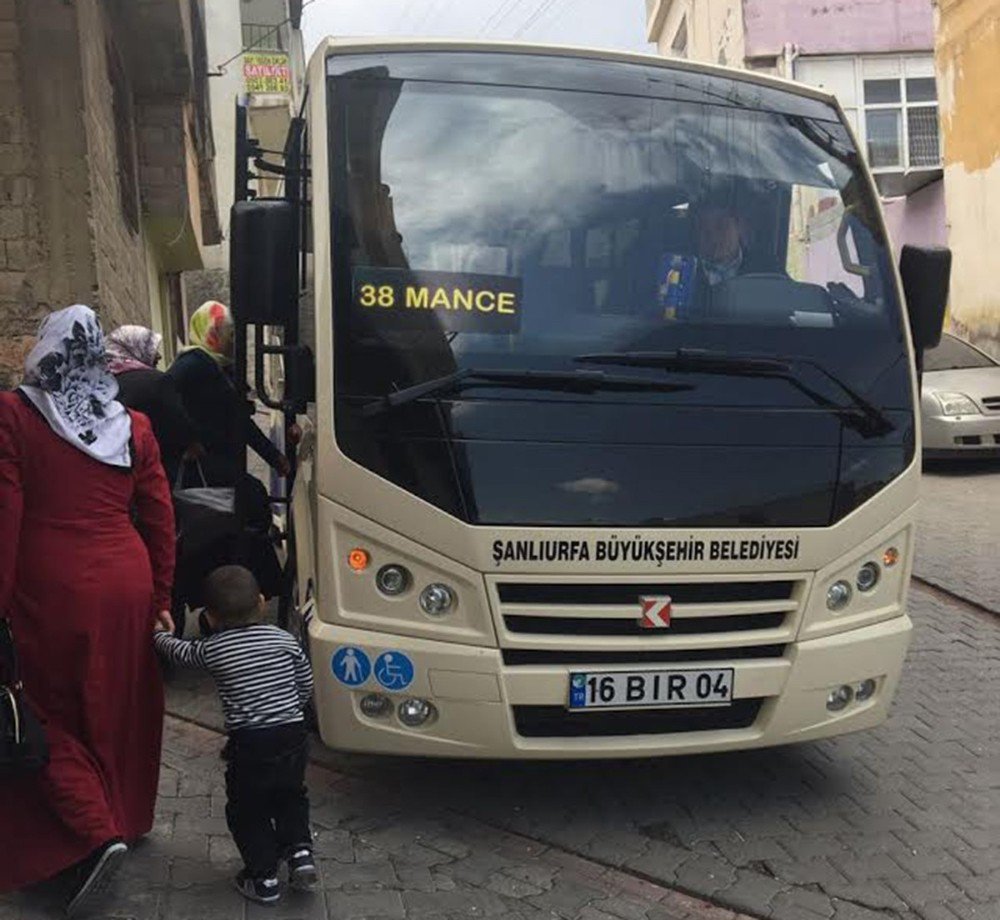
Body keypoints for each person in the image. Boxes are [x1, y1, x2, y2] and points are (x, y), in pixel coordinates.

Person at [0, 305, 175, 914]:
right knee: (117, 699)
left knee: (43, 706)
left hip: (45, 586)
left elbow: (5, 519)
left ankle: (89, 833)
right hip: (124, 582)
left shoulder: (14, 417)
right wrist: (161, 597)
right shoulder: (133, 426)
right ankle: (121, 817)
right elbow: (159, 517)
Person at [152, 566, 316, 904]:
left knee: (248, 809)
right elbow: (306, 684)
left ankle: (264, 878)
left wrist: (158, 634)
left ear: (209, 617)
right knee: (291, 794)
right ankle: (300, 853)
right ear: (260, 602)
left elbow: (180, 653)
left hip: (251, 745)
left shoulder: (215, 649)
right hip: (293, 736)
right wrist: (291, 712)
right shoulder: (285, 640)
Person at [166, 301, 289, 612]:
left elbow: (240, 422)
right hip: (205, 473)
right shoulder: (193, 363)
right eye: (225, 332)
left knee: (238, 529)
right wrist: (187, 439)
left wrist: (275, 457)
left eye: (232, 333)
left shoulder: (223, 368)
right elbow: (164, 399)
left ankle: (238, 602)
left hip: (224, 466)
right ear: (208, 332)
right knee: (226, 530)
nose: (231, 339)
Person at [106, 324, 200, 484]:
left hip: (113, 480)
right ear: (136, 348)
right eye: (151, 347)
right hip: (155, 476)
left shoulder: (100, 385)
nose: (159, 356)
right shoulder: (156, 382)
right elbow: (181, 429)